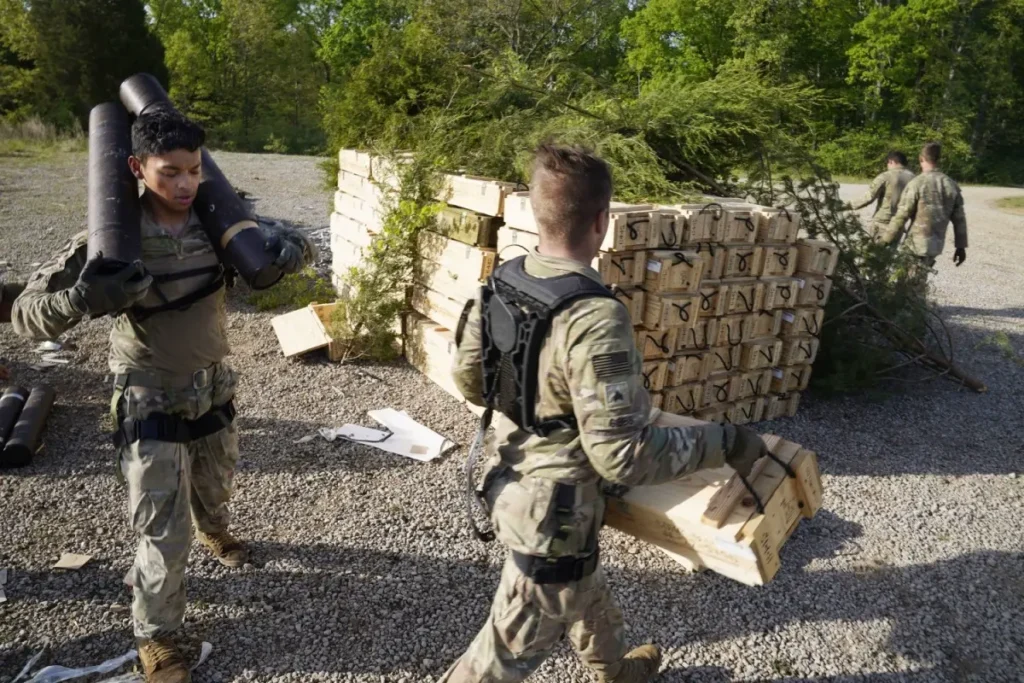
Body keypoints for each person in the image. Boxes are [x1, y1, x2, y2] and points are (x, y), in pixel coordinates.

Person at [11, 109, 315, 683]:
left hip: (212, 385)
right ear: (136, 167)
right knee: (161, 531)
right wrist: (81, 298)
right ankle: (160, 640)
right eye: (169, 172)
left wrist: (291, 249)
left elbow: (296, 240)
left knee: (216, 483)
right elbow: (27, 315)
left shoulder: (217, 216)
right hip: (147, 394)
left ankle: (216, 529)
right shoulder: (110, 238)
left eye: (194, 171)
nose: (183, 185)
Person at [444, 145, 765, 683]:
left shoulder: (506, 279)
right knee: (502, 654)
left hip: (510, 479)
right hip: (554, 514)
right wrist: (727, 441)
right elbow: (623, 457)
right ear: (602, 221)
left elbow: (468, 380)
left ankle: (617, 671)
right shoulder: (594, 317)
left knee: (580, 580)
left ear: (535, 211)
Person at [881, 142, 968, 270]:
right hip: (935, 245)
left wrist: (885, 239)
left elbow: (902, 215)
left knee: (906, 282)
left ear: (921, 159)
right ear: (937, 160)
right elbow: (960, 220)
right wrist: (960, 247)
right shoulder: (951, 185)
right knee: (919, 278)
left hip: (915, 245)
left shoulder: (917, 183)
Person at [850, 150, 915, 238]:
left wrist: (846, 206)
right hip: (899, 223)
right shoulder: (914, 178)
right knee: (891, 250)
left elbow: (868, 198)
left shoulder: (885, 176)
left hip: (883, 222)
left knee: (875, 250)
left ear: (891, 161)